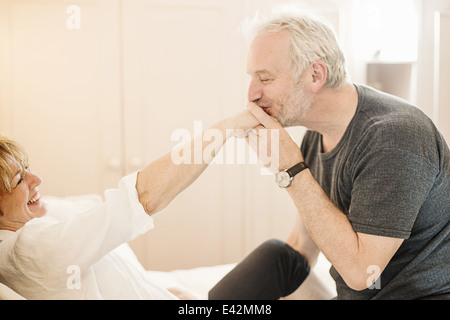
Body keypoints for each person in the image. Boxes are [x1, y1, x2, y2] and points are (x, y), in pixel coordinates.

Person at [209, 9, 450, 300]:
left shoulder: (394, 137)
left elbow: (364, 273)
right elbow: (302, 244)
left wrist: (290, 169)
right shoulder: (317, 136)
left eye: (265, 78)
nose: (252, 94)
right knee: (276, 254)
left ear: (315, 74)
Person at [0, 110, 259, 300]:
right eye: (19, 180)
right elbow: (141, 197)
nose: (37, 179)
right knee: (280, 256)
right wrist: (226, 128)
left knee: (281, 256)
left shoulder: (27, 237)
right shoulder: (30, 248)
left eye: (27, 168)